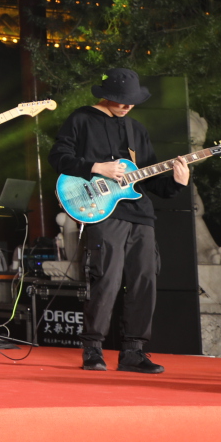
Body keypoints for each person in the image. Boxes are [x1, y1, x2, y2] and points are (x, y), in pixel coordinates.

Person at [47, 68, 188, 374]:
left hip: (141, 214)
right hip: (103, 210)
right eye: (121, 100)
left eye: (131, 101)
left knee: (144, 280)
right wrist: (96, 167)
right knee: (106, 279)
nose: (127, 106)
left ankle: (133, 352)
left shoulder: (137, 129)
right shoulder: (81, 119)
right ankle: (93, 349)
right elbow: (58, 157)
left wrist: (177, 183)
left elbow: (150, 180)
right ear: (106, 95)